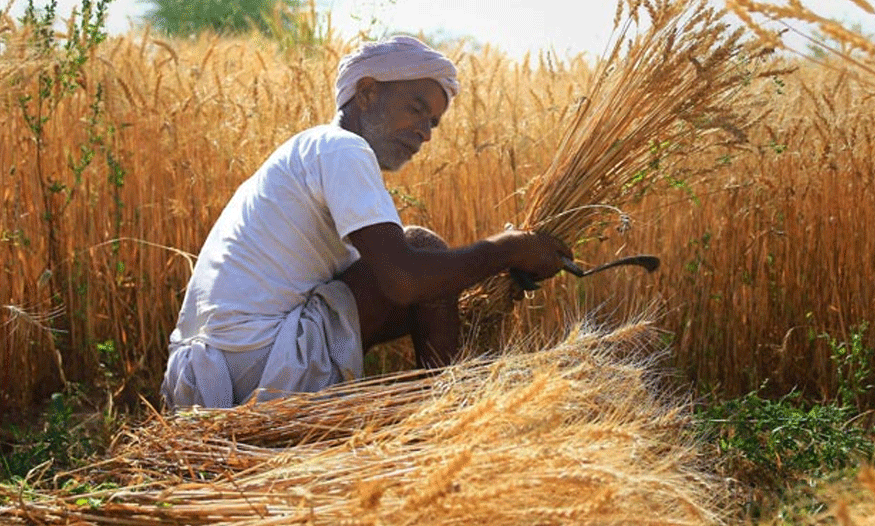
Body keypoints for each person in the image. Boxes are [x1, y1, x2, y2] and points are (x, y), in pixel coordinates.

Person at [161, 35, 571, 408]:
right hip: (258, 364)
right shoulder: (342, 148)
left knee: (412, 256)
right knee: (421, 248)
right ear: (368, 92)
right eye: (416, 108)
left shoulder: (309, 150)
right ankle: (445, 419)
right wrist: (510, 249)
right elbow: (404, 280)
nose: (425, 133)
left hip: (198, 382)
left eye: (433, 122)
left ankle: (441, 413)